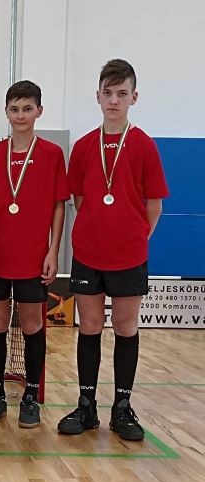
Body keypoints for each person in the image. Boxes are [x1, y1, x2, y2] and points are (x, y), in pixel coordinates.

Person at [58, 59, 169, 441]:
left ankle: (122, 408)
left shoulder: (144, 145)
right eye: (108, 93)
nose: (114, 100)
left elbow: (154, 206)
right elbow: (79, 199)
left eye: (122, 93)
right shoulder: (85, 146)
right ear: (98, 96)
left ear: (134, 97)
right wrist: (99, 234)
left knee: (125, 327)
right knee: (89, 326)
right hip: (89, 253)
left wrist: (135, 239)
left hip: (129, 256)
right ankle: (86, 405)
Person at [0, 80, 69, 428]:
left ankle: (30, 395)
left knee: (32, 325)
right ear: (6, 112)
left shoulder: (52, 154)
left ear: (39, 111)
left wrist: (53, 250)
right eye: (14, 109)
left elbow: (59, 205)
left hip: (33, 258)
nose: (20, 115)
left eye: (27, 109)